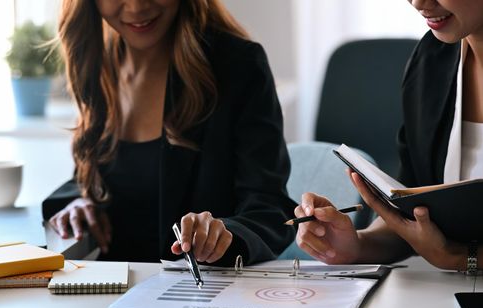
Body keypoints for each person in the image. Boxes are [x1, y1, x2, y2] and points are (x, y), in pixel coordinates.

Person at [43, 0, 296, 265]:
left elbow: (270, 207)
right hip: (107, 292)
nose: (136, 7)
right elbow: (89, 181)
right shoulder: (99, 65)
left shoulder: (238, 65)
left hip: (198, 296)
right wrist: (79, 202)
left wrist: (224, 233)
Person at [295, 0, 483, 272]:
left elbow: (446, 252)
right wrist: (357, 244)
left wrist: (462, 258)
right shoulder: (432, 59)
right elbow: (418, 216)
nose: (418, 2)